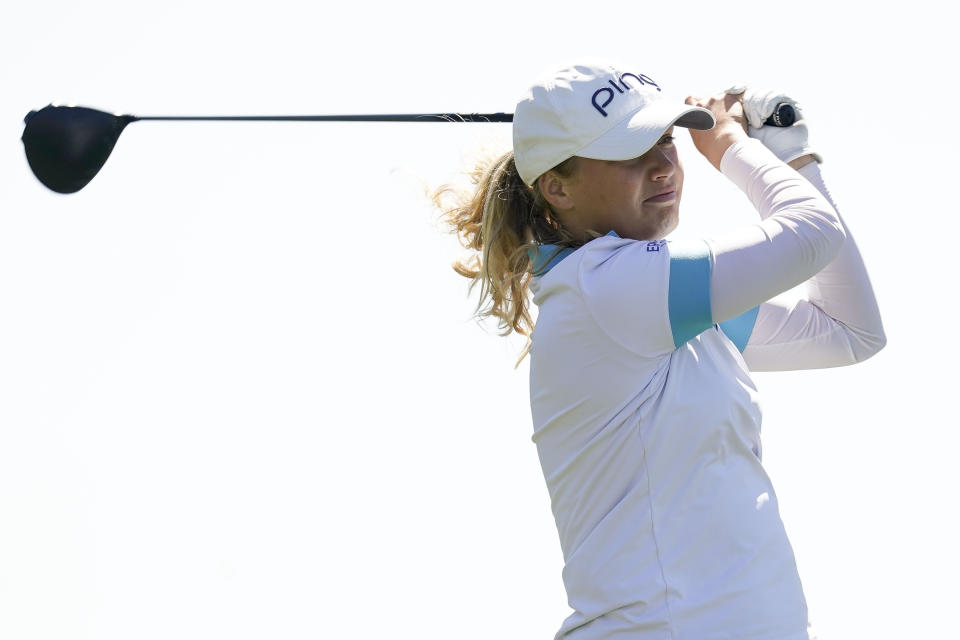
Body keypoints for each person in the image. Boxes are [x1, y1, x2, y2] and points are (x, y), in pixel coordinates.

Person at [439, 61, 885, 640]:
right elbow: (812, 235)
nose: (662, 166)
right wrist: (730, 146)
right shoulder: (609, 286)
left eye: (667, 140)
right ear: (557, 186)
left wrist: (795, 160)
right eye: (630, 153)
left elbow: (849, 333)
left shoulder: (660, 305)